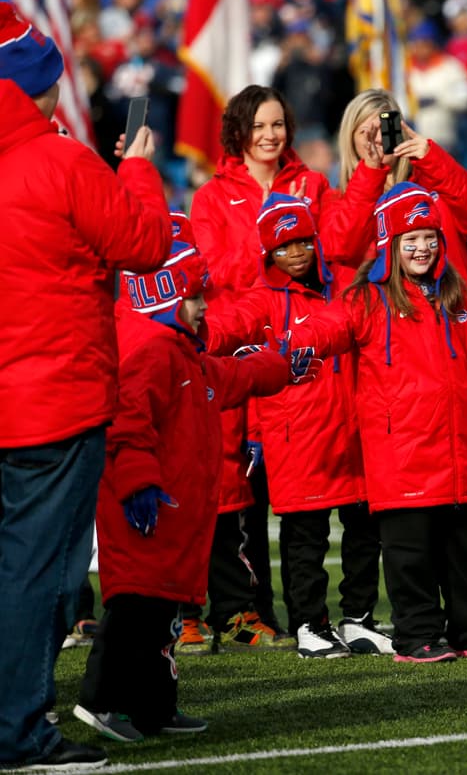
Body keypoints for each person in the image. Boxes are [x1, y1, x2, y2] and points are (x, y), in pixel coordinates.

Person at [0, 3, 171, 770]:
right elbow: (145, 244)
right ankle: (17, 731)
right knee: (37, 577)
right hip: (51, 400)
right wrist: (135, 165)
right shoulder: (62, 161)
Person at [294, 182, 467, 663]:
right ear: (390, 243)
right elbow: (328, 328)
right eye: (411, 239)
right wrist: (295, 342)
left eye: (430, 237)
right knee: (410, 558)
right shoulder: (365, 299)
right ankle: (417, 634)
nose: (423, 248)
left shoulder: (463, 297)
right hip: (400, 455)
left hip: (461, 451)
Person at [75, 240, 302, 742]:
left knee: (162, 618)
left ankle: (155, 706)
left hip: (174, 515)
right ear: (163, 296)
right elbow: (127, 426)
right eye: (196, 298)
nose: (204, 309)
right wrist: (138, 484)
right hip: (146, 512)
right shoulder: (149, 353)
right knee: (134, 610)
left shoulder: (182, 354)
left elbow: (231, 376)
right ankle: (101, 700)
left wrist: (280, 366)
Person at [189, 84, 384, 647]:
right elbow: (210, 269)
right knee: (235, 486)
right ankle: (242, 609)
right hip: (240, 346)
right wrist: (270, 244)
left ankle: (311, 616)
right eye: (260, 126)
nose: (271, 135)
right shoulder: (211, 197)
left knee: (308, 498)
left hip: (301, 352)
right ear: (239, 132)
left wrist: (369, 173)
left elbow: (343, 244)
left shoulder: (313, 183)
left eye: (278, 124)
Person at [209, 194, 391, 658]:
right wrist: (191, 332)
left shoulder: (350, 284)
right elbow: (226, 325)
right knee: (305, 537)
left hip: (356, 430)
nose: (296, 253)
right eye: (284, 247)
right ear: (267, 254)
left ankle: (357, 619)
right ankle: (309, 623)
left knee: (365, 531)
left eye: (303, 242)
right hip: (299, 436)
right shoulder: (261, 299)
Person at [334, 87, 467, 287]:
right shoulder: (339, 199)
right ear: (350, 140)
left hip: (452, 309)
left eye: (385, 129)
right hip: (391, 314)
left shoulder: (433, 179)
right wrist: (370, 175)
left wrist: (434, 161)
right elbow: (342, 252)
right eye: (367, 132)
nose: (378, 139)